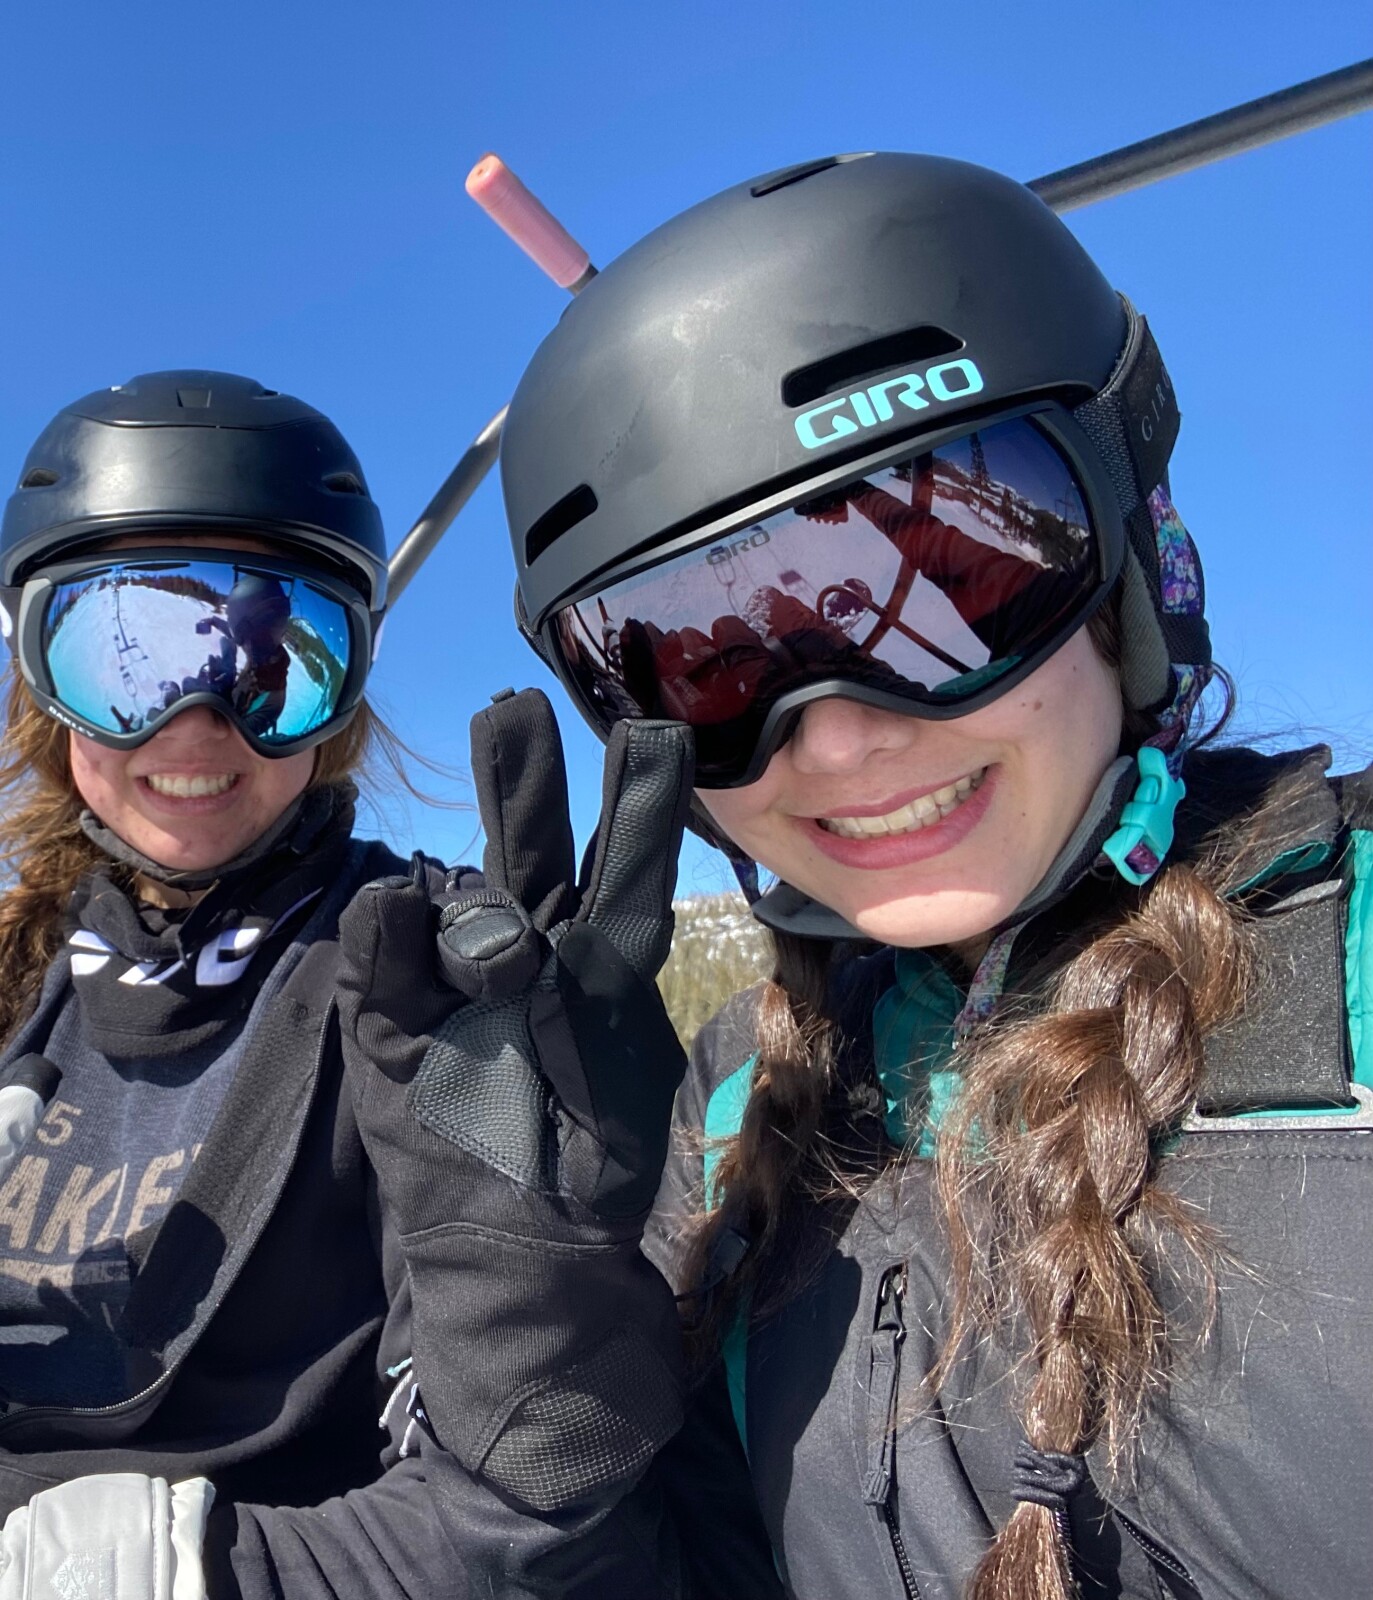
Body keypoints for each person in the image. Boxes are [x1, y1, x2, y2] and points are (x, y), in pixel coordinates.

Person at [492, 153, 1373, 1598]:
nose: (836, 740)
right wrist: (527, 1347)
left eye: (948, 591)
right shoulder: (730, 1106)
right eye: (711, 667)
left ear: (1130, 558)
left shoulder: (1354, 967)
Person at [0, 370, 697, 1599]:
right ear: (40, 686)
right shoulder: (19, 974)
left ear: (342, 700)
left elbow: (531, 1531)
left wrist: (203, 1571)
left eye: (272, 668)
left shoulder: (425, 977)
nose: (197, 724)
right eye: (125, 662)